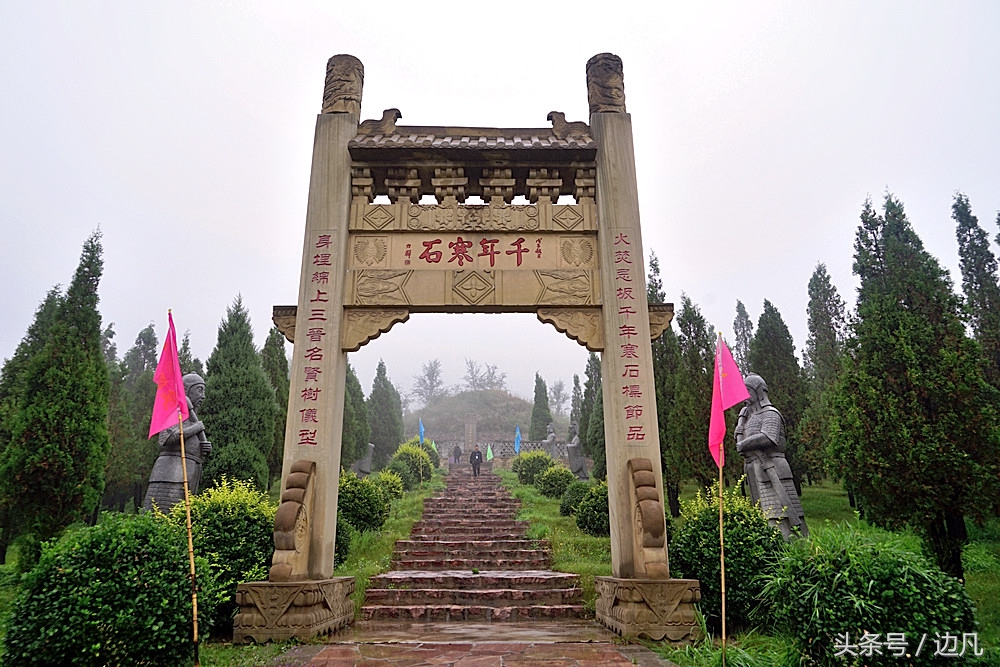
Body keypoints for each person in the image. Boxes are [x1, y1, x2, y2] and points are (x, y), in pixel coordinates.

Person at [735, 373, 808, 539]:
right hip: (755, 470)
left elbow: (769, 437)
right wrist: (740, 425)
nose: (745, 396)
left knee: (780, 514)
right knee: (763, 513)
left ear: (758, 392)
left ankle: (792, 546)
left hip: (772, 468)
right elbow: (741, 443)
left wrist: (744, 444)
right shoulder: (747, 417)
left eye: (748, 391)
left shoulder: (770, 413)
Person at [142, 373, 212, 512]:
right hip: (170, 476)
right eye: (199, 390)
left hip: (190, 473)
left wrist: (204, 448)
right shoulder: (174, 413)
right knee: (164, 512)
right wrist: (195, 428)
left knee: (182, 516)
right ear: (187, 390)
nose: (203, 396)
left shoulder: (192, 419)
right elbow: (165, 439)